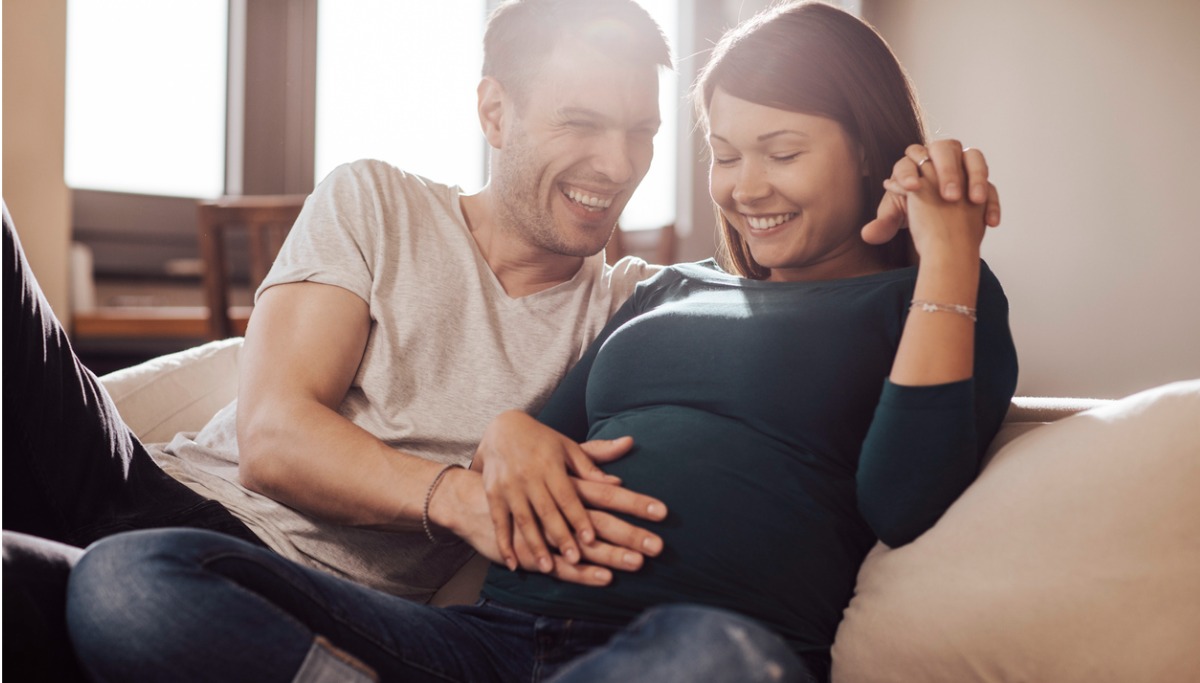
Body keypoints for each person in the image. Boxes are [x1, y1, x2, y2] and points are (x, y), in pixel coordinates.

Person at [63, 2, 1018, 682]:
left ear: (868, 147)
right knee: (133, 581)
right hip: (487, 642)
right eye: (725, 154)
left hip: (680, 646)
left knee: (722, 665)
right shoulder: (669, 290)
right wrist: (508, 437)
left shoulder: (936, 303)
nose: (744, 187)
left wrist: (945, 259)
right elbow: (521, 439)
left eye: (783, 151)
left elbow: (906, 497)